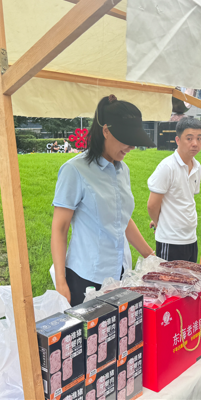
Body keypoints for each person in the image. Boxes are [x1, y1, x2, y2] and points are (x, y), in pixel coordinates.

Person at [51, 95, 156, 306]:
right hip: (87, 276)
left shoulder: (122, 170)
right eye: (126, 139)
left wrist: (151, 256)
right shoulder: (75, 170)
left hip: (121, 272)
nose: (131, 147)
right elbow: (60, 228)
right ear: (106, 131)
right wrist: (61, 283)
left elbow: (122, 219)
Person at [147, 116, 201, 262]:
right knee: (169, 277)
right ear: (178, 140)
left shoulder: (197, 167)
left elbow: (186, 199)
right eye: (189, 138)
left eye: (199, 138)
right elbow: (152, 205)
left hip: (191, 238)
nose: (195, 143)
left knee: (190, 276)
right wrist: (159, 222)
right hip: (170, 240)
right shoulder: (167, 167)